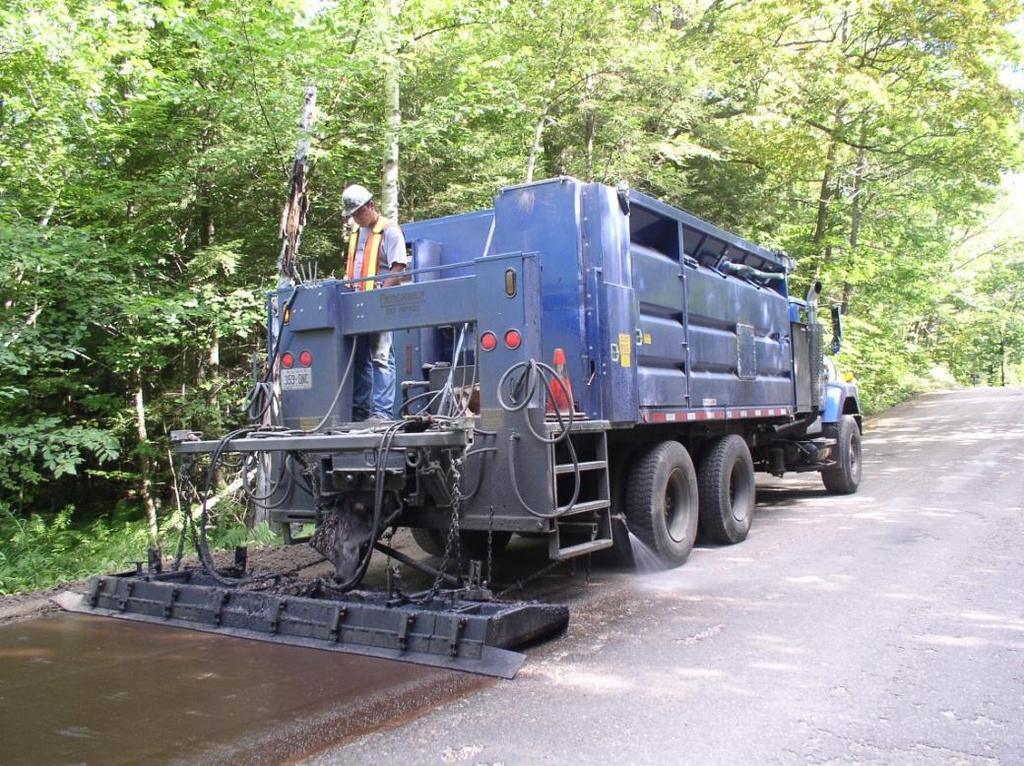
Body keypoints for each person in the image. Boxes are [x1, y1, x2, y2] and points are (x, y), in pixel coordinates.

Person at [341, 184, 408, 421]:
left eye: (359, 212)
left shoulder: (389, 231)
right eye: (353, 215)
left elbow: (397, 269)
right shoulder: (357, 234)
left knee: (381, 357)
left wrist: (380, 300)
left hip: (379, 303)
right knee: (360, 359)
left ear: (371, 206)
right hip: (357, 305)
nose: (356, 218)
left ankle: (382, 413)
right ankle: (361, 412)